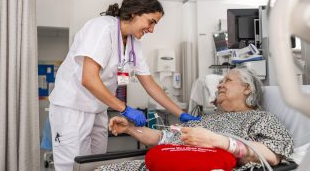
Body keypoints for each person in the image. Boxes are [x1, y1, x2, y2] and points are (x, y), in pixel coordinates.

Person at [48, 0, 199, 171]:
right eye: (151, 22)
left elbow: (150, 84)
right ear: (134, 13)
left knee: (94, 165)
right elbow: (88, 79)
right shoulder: (101, 28)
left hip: (97, 110)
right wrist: (125, 109)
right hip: (72, 108)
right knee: (71, 167)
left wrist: (180, 113)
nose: (152, 29)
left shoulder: (134, 43)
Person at [104, 68, 294, 170]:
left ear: (248, 89)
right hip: (160, 165)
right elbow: (162, 138)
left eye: (227, 80)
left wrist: (219, 141)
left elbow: (273, 156)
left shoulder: (262, 118)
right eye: (220, 81)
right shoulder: (205, 120)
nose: (220, 85)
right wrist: (130, 128)